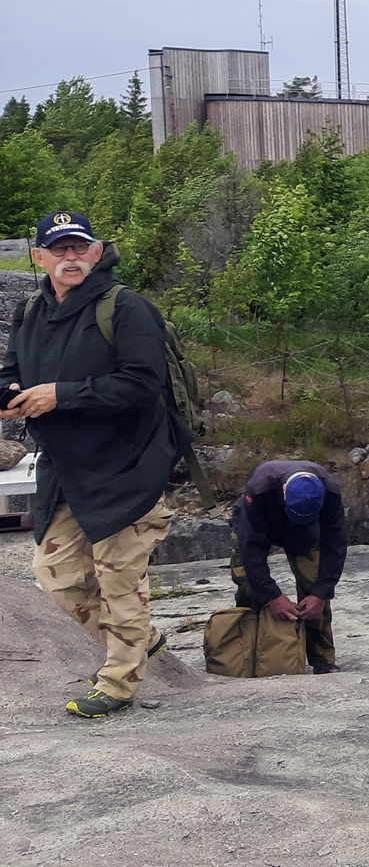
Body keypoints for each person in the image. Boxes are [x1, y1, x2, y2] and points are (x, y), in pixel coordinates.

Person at [0, 212, 182, 718]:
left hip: (129, 465)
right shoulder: (31, 312)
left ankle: (118, 683)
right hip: (68, 470)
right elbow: (12, 370)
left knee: (118, 576)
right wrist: (8, 395)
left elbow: (144, 383)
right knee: (53, 573)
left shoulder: (126, 308)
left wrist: (63, 395)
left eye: (80, 247)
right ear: (39, 257)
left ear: (97, 253)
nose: (70, 257)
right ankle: (140, 638)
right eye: (58, 249)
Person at [230, 460, 348, 674]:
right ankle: (244, 655)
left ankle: (322, 659)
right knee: (247, 583)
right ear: (284, 490)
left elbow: (335, 544)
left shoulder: (330, 492)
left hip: (305, 531)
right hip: (258, 524)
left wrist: (321, 595)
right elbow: (251, 549)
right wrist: (273, 596)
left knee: (314, 584)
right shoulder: (259, 489)